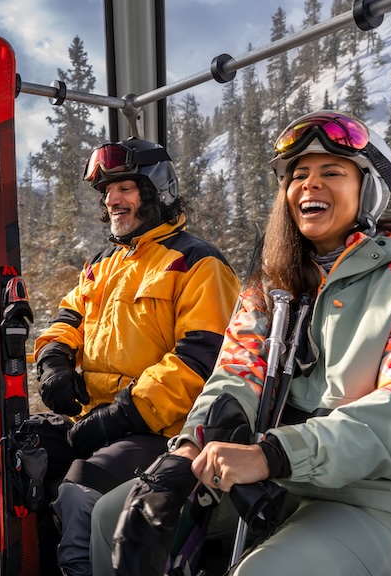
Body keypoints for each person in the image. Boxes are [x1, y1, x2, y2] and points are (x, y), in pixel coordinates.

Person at [90, 111, 391, 576]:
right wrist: (188, 449)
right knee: (113, 516)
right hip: (274, 472)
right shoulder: (273, 284)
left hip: (380, 493)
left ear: (368, 189)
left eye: (331, 172)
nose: (309, 186)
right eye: (299, 175)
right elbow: (235, 373)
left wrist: (275, 454)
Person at [31, 137, 241, 576]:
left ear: (156, 190)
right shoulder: (104, 263)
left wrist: (120, 416)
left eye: (124, 187)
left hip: (158, 428)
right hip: (90, 418)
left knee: (80, 492)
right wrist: (54, 361)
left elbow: (200, 363)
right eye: (107, 191)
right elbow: (67, 318)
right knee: (1, 454)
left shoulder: (196, 265)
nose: (112, 200)